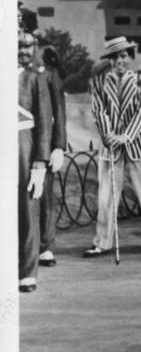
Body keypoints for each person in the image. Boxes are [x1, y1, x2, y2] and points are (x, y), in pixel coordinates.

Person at [83, 37, 141, 257]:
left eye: (123, 56)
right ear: (109, 60)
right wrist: (110, 136)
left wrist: (125, 136)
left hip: (137, 143)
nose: (119, 61)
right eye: (114, 57)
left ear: (130, 57)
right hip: (110, 145)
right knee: (107, 194)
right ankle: (102, 242)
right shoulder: (97, 83)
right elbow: (99, 112)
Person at [18, 30, 52, 293]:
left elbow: (43, 122)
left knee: (27, 207)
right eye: (16, 45)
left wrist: (40, 162)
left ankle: (27, 271)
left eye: (26, 46)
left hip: (24, 145)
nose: (21, 50)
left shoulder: (35, 78)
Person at [36, 44, 67, 267]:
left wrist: (58, 146)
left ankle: (45, 246)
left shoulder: (48, 73)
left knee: (45, 195)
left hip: (42, 141)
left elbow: (59, 110)